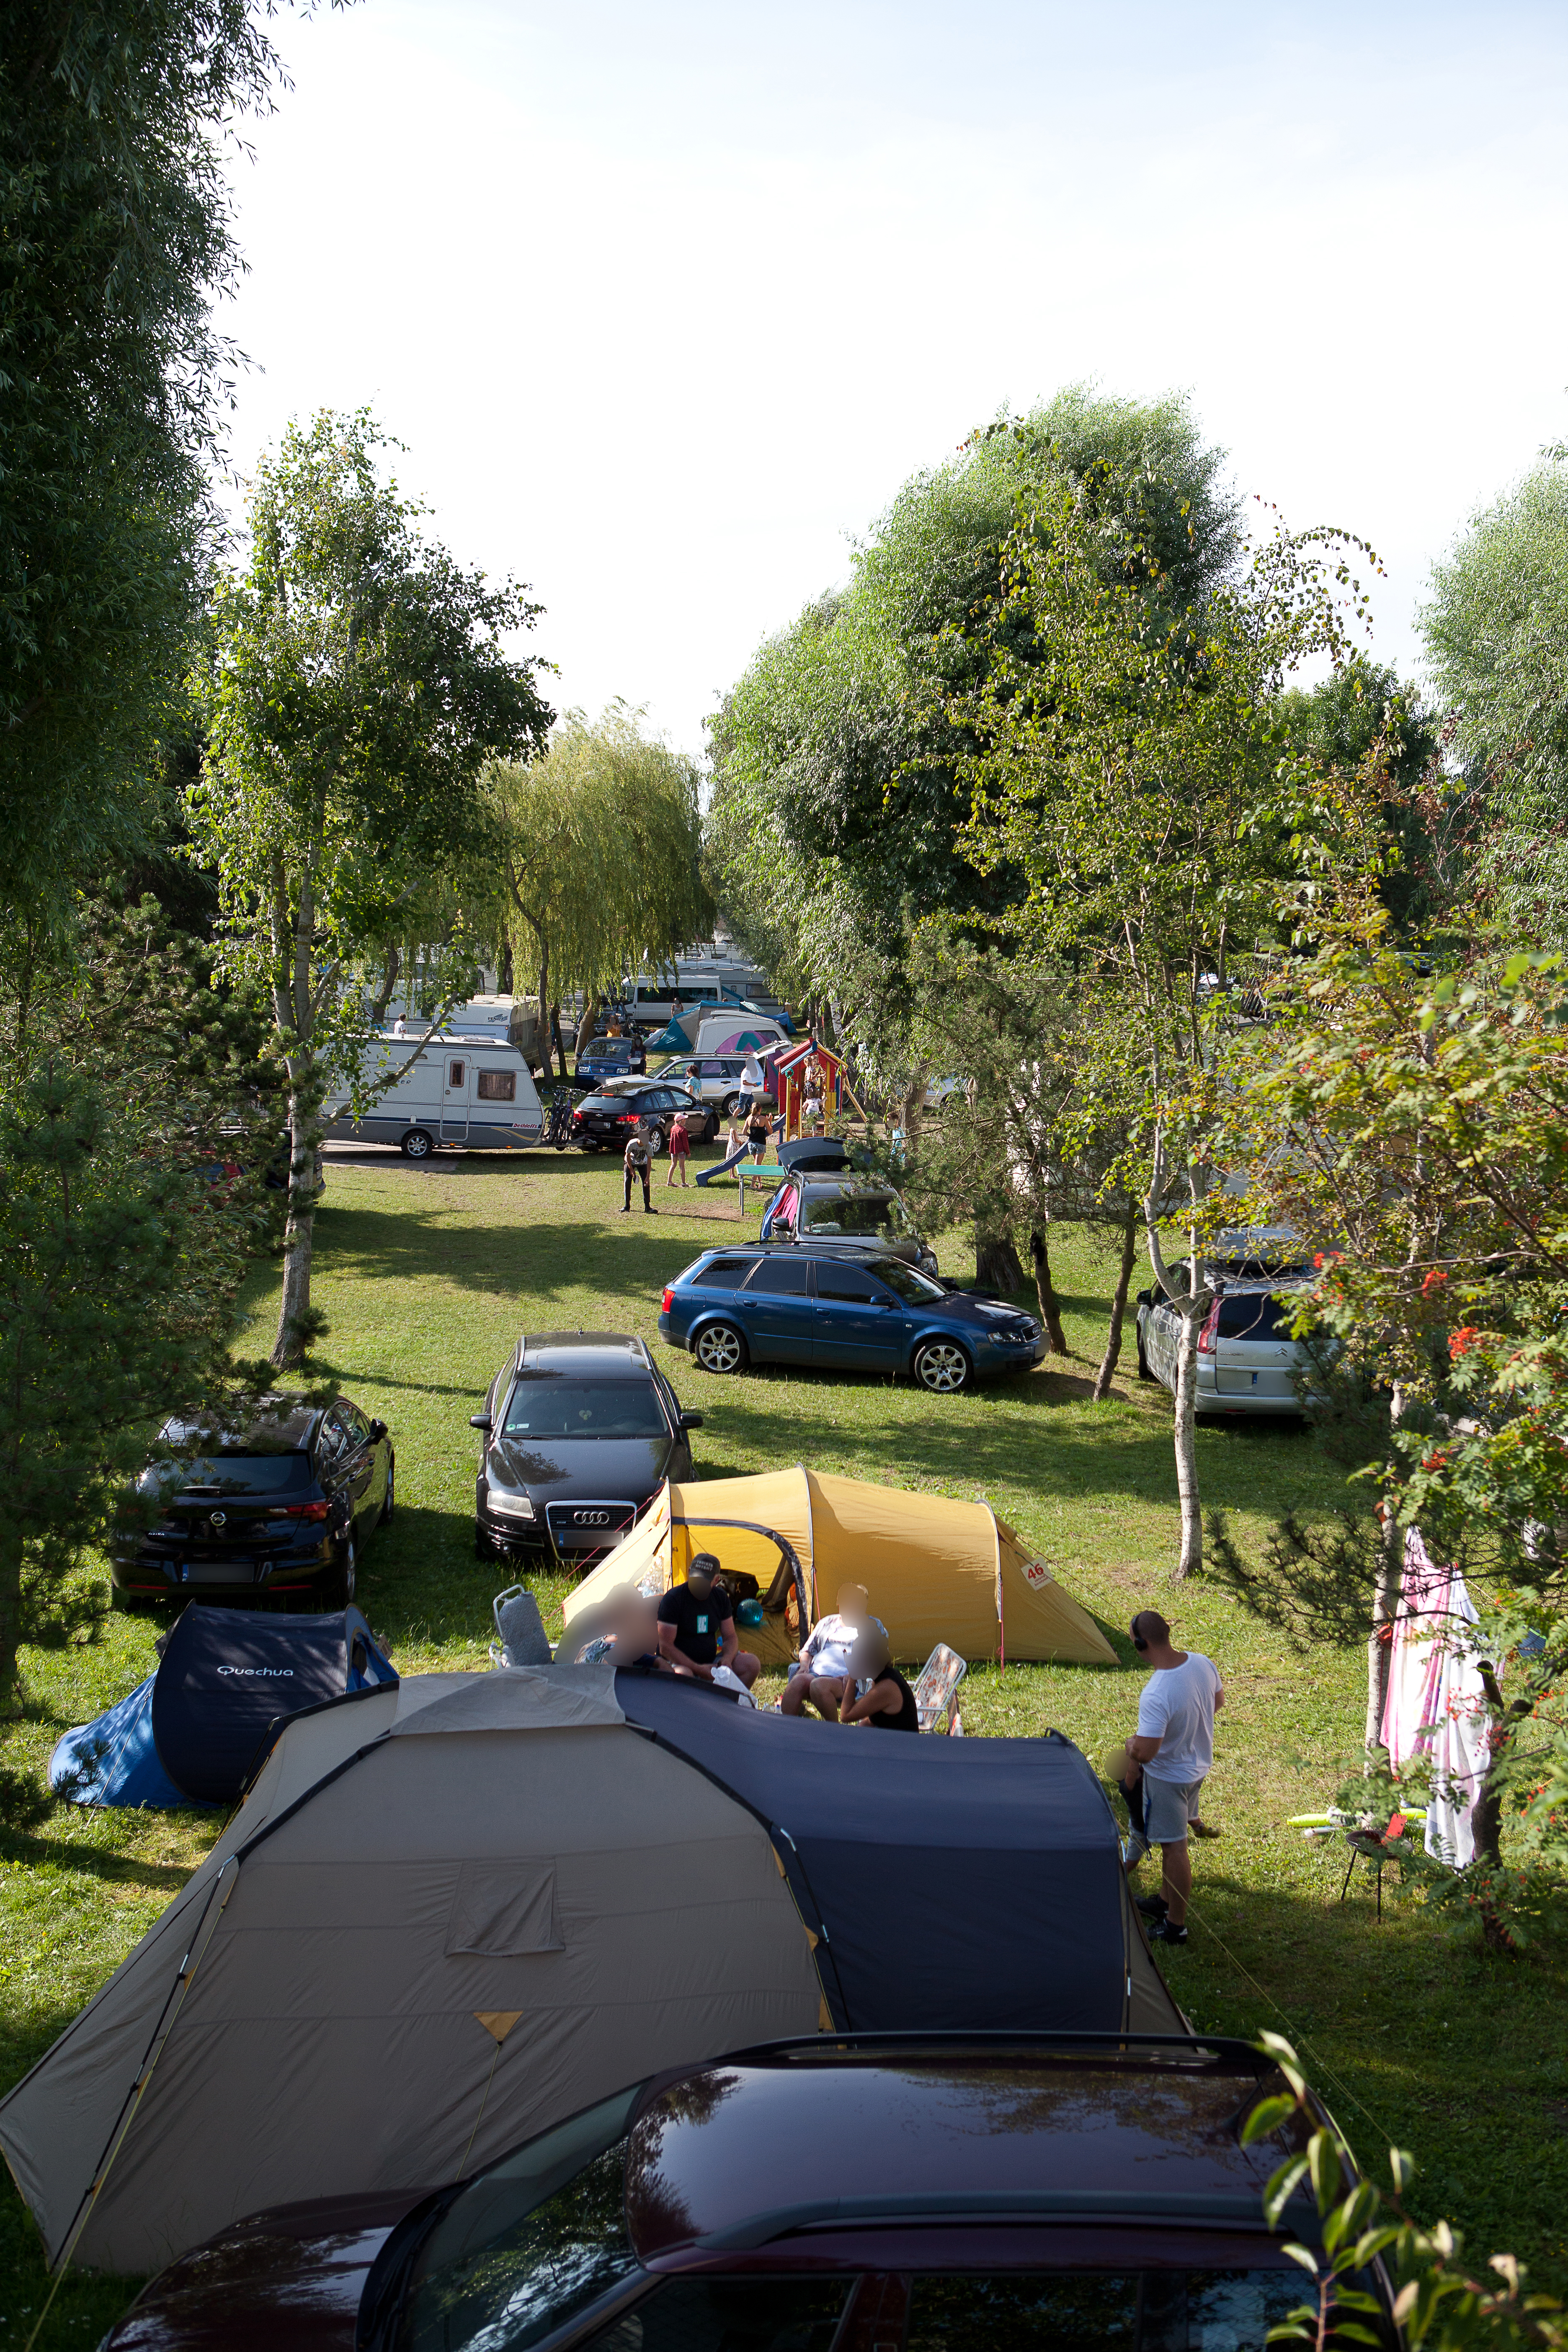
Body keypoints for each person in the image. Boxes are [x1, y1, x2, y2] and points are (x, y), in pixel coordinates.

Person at [1122, 1609, 1224, 1946]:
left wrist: (1131, 1746)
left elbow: (1146, 1753)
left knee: (1173, 1848)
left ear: (1141, 1643)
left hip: (1168, 1779)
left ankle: (1175, 1926)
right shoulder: (1202, 1663)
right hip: (1197, 1769)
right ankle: (1164, 1901)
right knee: (1174, 1842)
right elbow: (1217, 1702)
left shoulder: (1156, 1693)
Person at [781, 1583, 885, 1719]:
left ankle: (834, 1733)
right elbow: (808, 1650)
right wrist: (804, 1667)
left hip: (849, 1681)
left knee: (818, 1686)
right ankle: (786, 1728)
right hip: (815, 1673)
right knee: (798, 1682)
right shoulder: (828, 1622)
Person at [656, 1555, 759, 1688]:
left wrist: (727, 1659)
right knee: (683, 1674)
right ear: (689, 1573)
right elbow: (666, 1648)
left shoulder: (720, 1598)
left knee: (751, 1664)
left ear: (716, 1580)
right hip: (677, 1663)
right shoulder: (673, 1599)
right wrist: (698, 1669)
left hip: (711, 1662)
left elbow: (730, 1637)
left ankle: (731, 1705)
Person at [838, 1623, 920, 1730]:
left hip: (901, 1745)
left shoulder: (886, 1687)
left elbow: (846, 1716)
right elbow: (873, 1720)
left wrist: (853, 1676)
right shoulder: (887, 1675)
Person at [621, 1127, 657, 1215]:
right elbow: (628, 1157)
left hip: (642, 1163)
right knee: (627, 1182)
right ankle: (627, 1206)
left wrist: (648, 1177)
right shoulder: (632, 1144)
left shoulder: (649, 1145)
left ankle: (647, 1207)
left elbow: (649, 1161)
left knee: (646, 1183)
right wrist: (631, 1169)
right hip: (630, 1162)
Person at [666, 1108, 692, 1187]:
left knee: (673, 1165)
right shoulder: (683, 1130)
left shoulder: (673, 1128)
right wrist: (688, 1152)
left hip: (673, 1150)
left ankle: (669, 1182)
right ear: (681, 1121)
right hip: (681, 1151)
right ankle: (684, 1183)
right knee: (682, 1166)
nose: (685, 1121)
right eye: (684, 1119)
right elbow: (685, 1143)